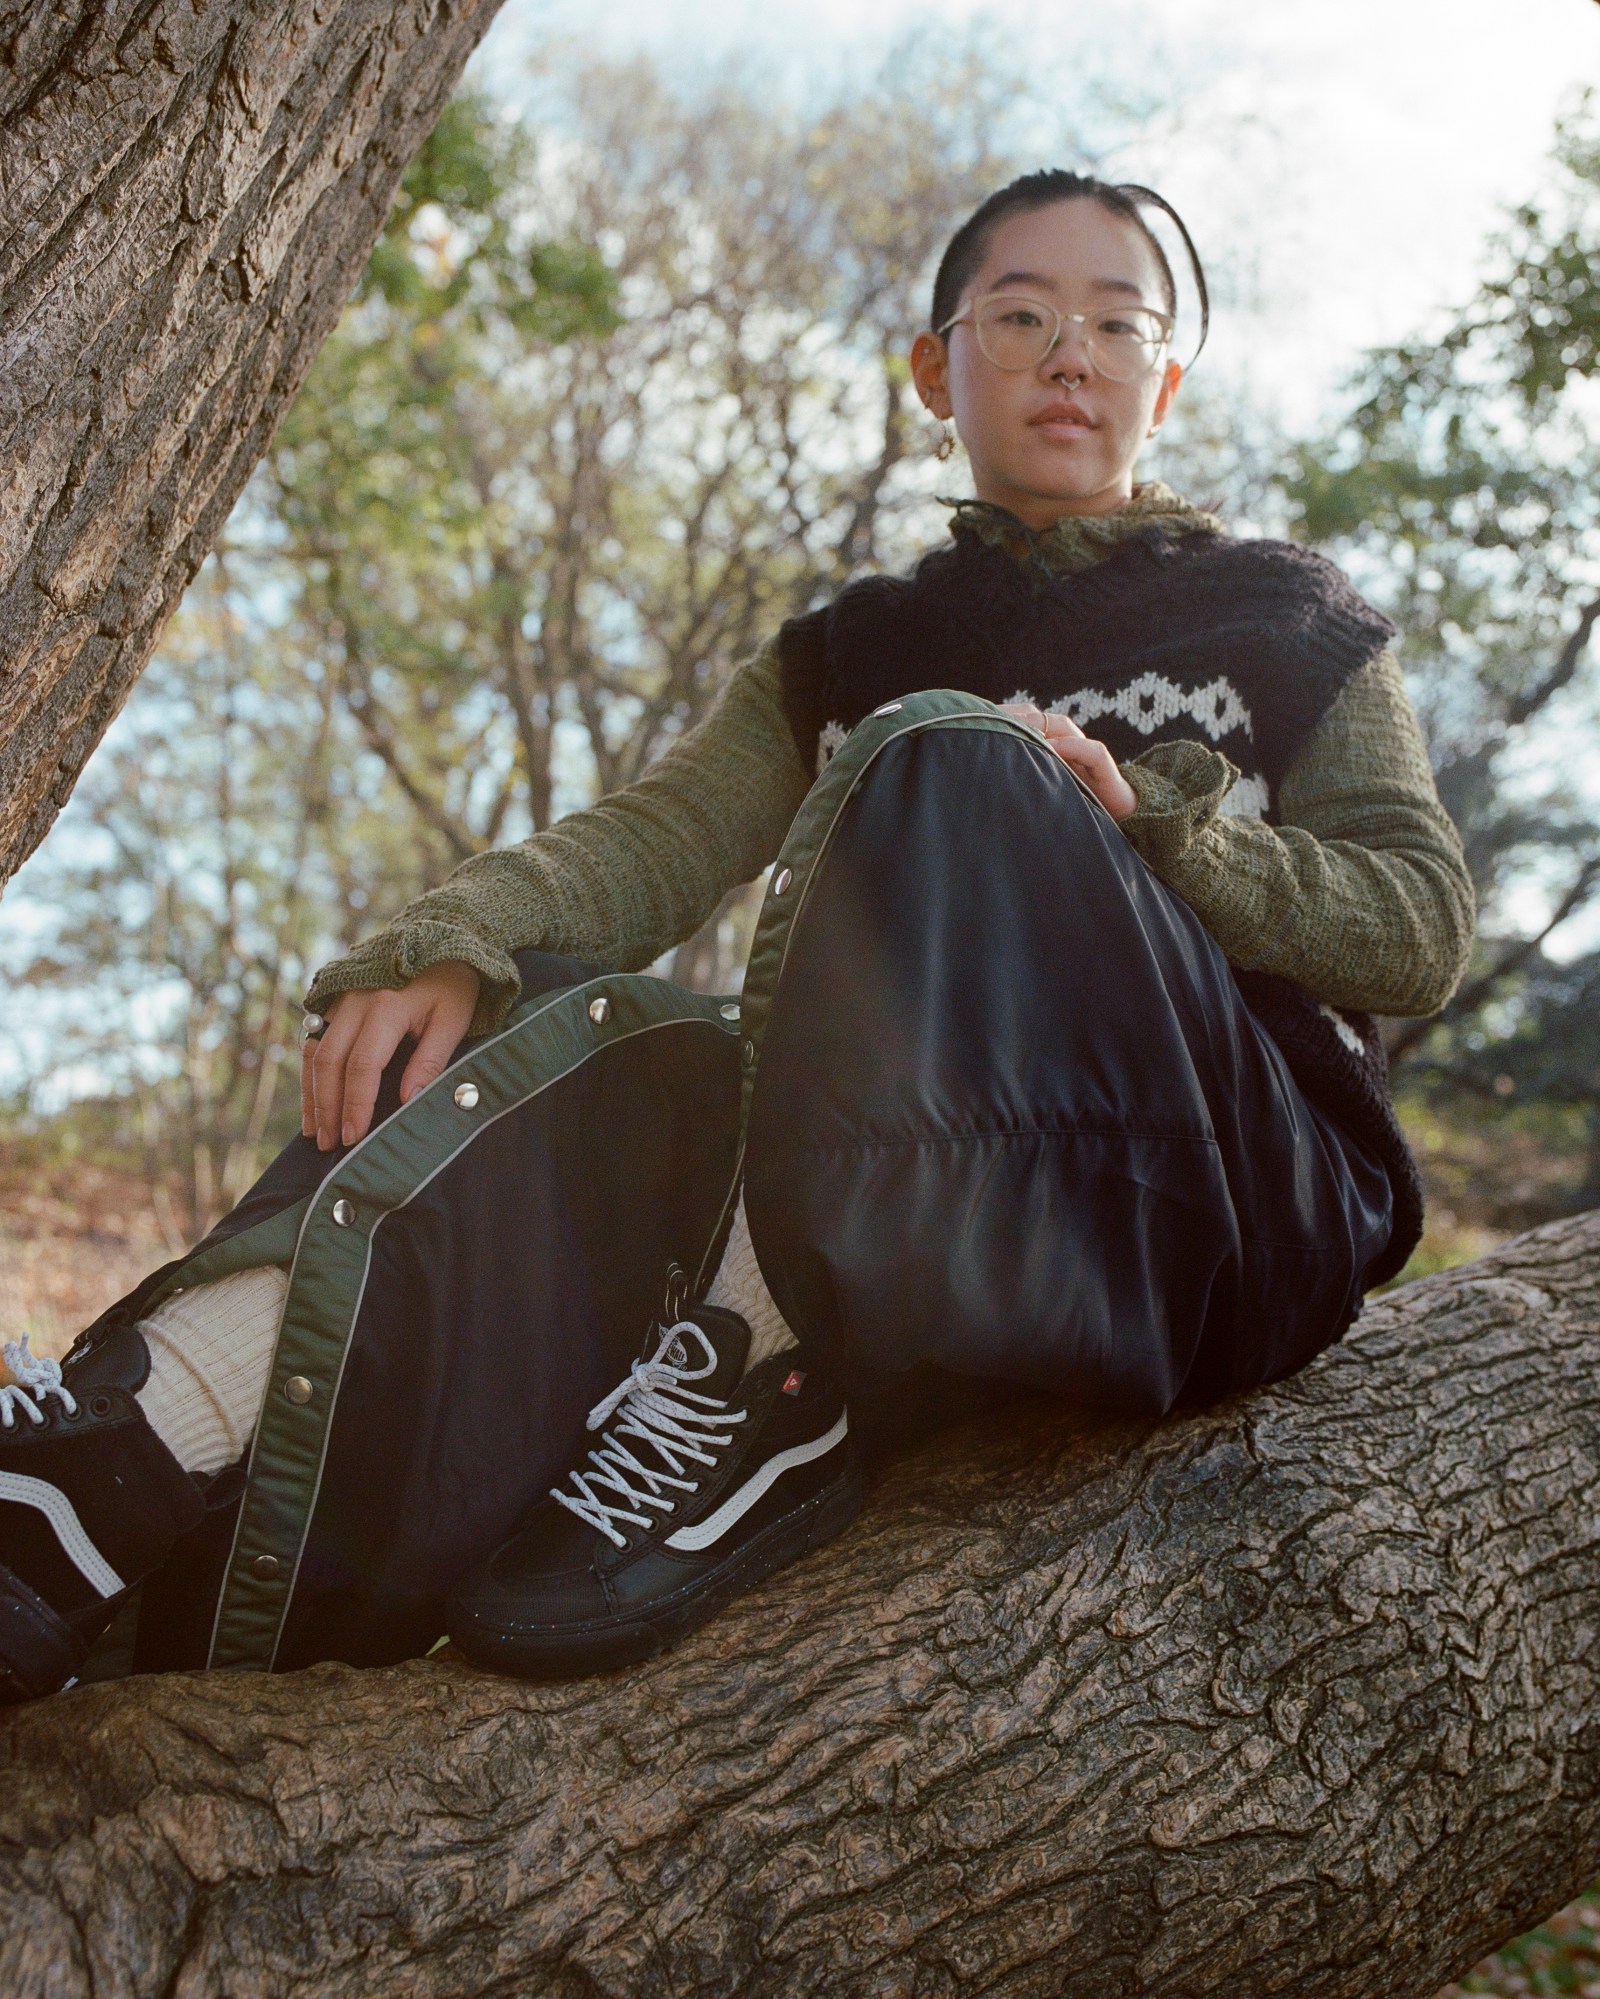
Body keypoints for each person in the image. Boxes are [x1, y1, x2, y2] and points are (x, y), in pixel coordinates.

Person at [0, 171, 1474, 1701]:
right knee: (560, 1040)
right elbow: (658, 841)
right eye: (1021, 315)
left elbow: (1419, 927)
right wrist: (454, 939)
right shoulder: (847, 649)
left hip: (1223, 1206)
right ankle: (112, 1478)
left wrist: (1160, 832)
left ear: (1163, 382)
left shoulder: (1284, 617)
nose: (1070, 355)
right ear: (935, 367)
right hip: (932, 1222)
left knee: (949, 762)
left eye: (1117, 326)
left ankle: (774, 1371)